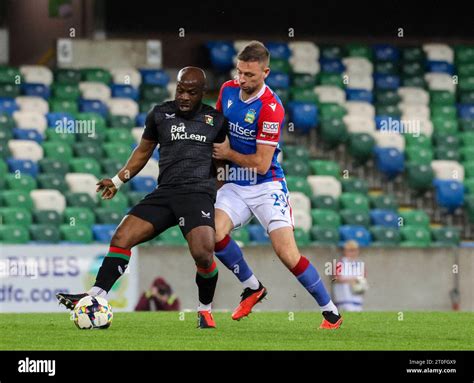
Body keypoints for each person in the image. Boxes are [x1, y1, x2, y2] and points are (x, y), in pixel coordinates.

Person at [56, 67, 227, 329]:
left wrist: (212, 191)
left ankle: (205, 311)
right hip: (166, 192)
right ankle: (94, 296)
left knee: (203, 254)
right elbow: (143, 151)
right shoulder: (160, 114)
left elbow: (223, 162)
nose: (183, 96)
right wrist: (117, 180)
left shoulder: (215, 120)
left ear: (202, 93)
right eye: (180, 90)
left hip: (196, 194)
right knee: (122, 236)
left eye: (191, 93)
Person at [212, 41, 342, 329]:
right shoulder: (227, 90)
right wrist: (219, 176)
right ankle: (253, 287)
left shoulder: (271, 108)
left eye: (250, 75)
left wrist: (227, 155)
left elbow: (260, 163)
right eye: (240, 72)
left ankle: (330, 311)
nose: (242, 80)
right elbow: (218, 132)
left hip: (266, 185)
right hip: (235, 183)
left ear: (266, 73)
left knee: (287, 253)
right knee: (213, 234)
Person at [332, 240, 366, 312]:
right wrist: (350, 280)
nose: (353, 253)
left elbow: (363, 278)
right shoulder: (340, 263)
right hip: (344, 298)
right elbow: (335, 278)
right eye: (350, 250)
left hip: (356, 297)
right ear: (345, 251)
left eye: (355, 250)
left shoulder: (360, 264)